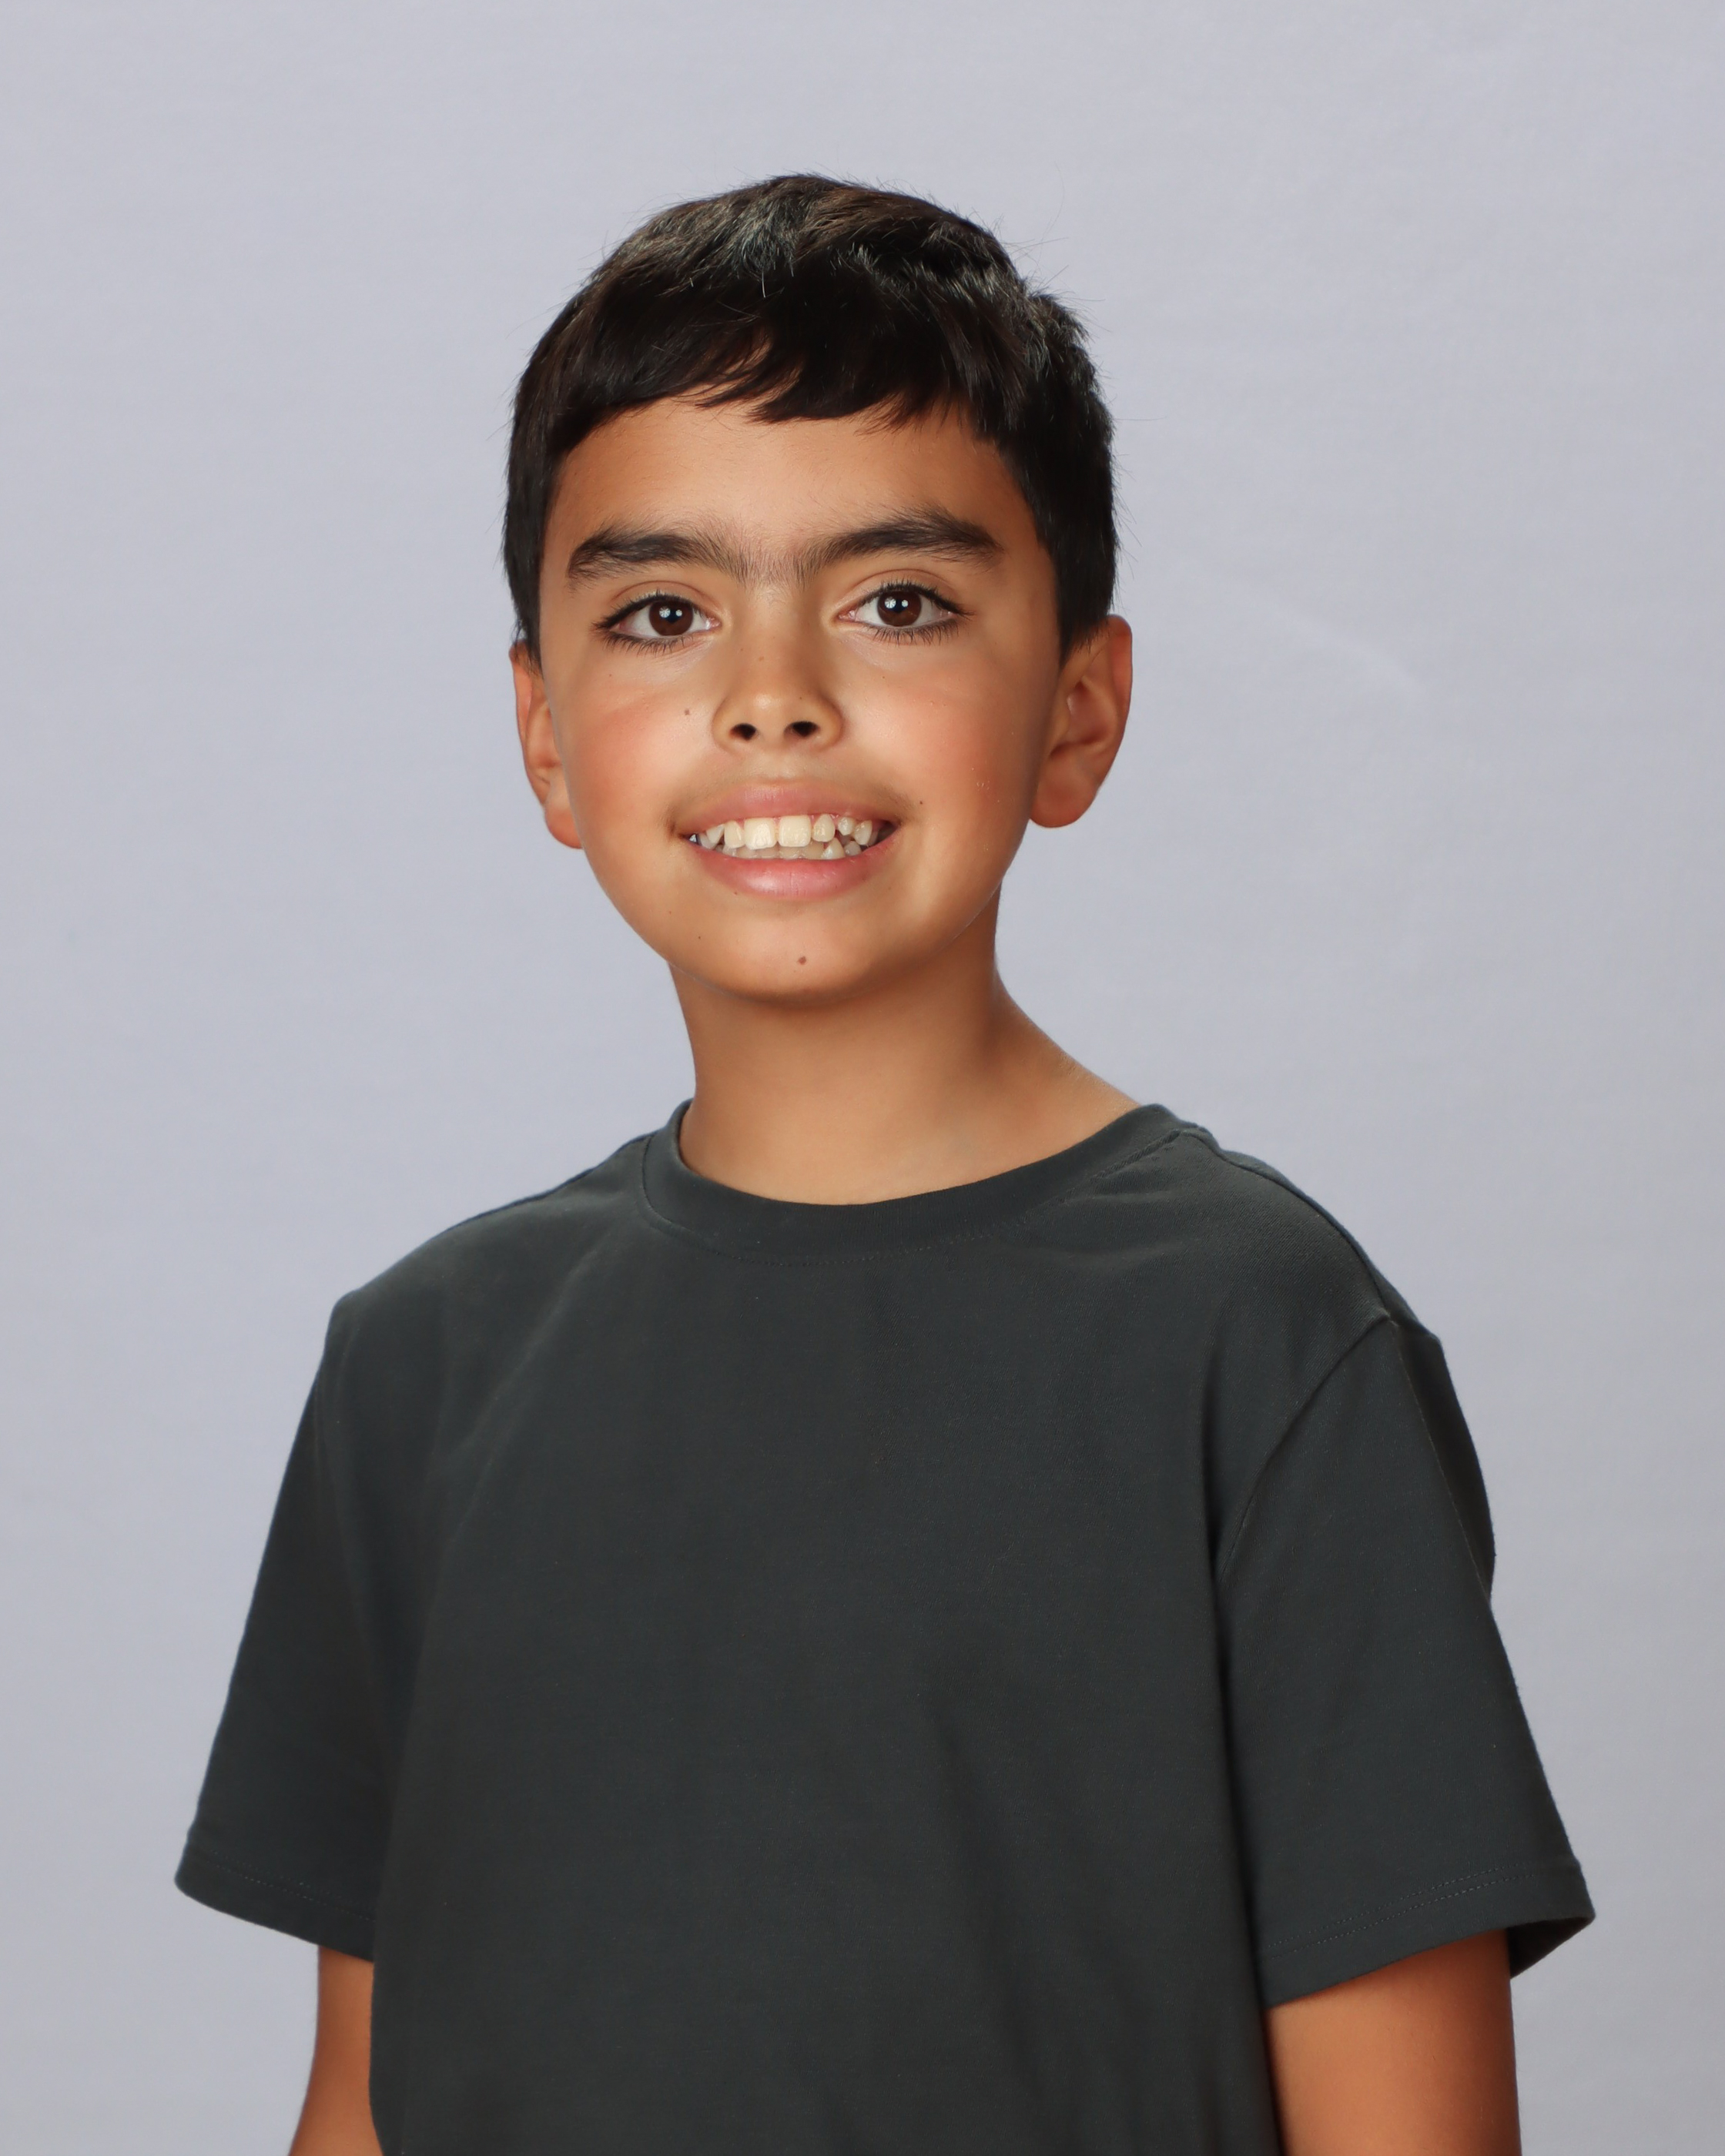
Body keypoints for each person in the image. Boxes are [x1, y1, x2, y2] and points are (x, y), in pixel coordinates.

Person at [176, 176, 1592, 2156]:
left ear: (1078, 708)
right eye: (662, 612)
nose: (773, 694)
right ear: (546, 735)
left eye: (898, 601)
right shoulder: (420, 1365)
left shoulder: (1264, 1344)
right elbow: (362, 2099)